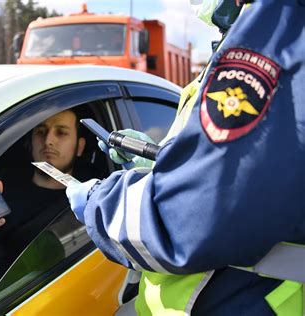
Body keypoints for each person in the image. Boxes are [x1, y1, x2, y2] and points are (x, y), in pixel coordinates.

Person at [66, 0, 305, 315]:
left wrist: (99, 200)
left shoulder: (281, 25)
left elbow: (189, 218)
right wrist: (161, 163)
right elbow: (249, 166)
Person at [0, 109, 87, 311]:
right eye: (41, 132)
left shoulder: (87, 200)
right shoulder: (3, 184)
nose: (49, 140)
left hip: (42, 301)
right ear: (30, 141)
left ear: (80, 147)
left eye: (61, 132)